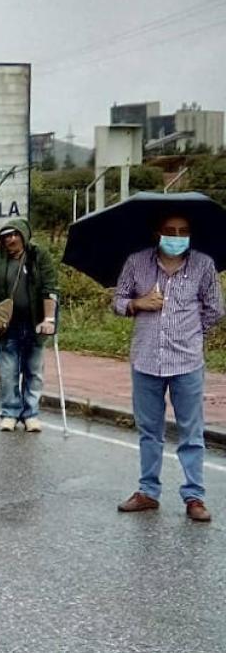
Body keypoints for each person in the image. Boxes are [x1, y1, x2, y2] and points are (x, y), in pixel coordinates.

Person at [113, 213, 223, 523]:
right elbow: (118, 300)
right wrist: (138, 304)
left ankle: (194, 497)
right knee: (150, 431)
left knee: (191, 432)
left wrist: (190, 331)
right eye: (171, 231)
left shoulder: (203, 264)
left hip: (187, 361)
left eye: (184, 231)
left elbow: (215, 309)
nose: (177, 236)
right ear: (158, 232)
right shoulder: (136, 263)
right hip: (146, 359)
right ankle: (148, 491)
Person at [0, 219, 59, 432]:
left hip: (34, 324)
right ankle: (10, 412)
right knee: (8, 372)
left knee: (34, 371)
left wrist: (49, 319)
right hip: (5, 326)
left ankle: (30, 413)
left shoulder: (39, 257)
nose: (11, 239)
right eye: (6, 236)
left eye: (15, 234)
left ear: (24, 234)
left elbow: (50, 288)